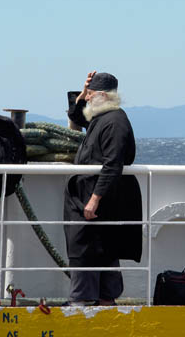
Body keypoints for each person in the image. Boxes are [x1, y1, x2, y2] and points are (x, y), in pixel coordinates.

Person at [63, 71, 142, 306]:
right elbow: (77, 116)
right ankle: (104, 298)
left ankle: (83, 301)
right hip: (86, 197)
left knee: (88, 249)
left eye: (90, 95)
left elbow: (113, 163)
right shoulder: (100, 117)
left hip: (98, 200)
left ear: (103, 96)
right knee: (99, 249)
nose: (86, 99)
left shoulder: (115, 122)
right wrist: (83, 90)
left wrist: (95, 198)